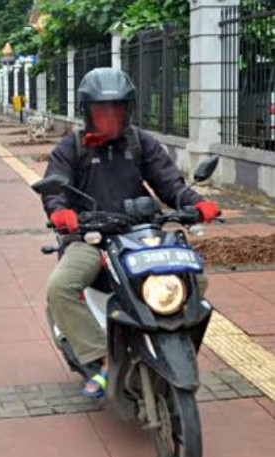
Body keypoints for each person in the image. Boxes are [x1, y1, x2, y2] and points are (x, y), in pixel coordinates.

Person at [42, 67, 221, 399]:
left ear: (128, 110)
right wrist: (61, 212)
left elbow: (170, 184)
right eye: (101, 110)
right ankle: (101, 359)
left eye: (117, 109)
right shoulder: (73, 147)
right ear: (88, 112)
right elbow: (56, 186)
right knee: (60, 287)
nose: (110, 117)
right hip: (90, 237)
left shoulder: (141, 142)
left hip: (140, 233)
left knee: (195, 281)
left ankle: (173, 346)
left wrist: (198, 204)